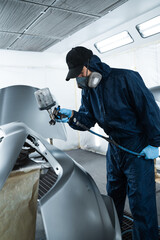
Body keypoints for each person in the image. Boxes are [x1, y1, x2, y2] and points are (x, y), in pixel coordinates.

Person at [57, 46, 160, 240]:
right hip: (114, 148)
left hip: (136, 147)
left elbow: (150, 111)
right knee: (113, 197)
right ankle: (115, 235)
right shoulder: (89, 90)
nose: (79, 78)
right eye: (75, 75)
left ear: (91, 65)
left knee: (141, 202)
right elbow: (86, 120)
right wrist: (72, 116)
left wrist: (155, 143)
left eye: (80, 72)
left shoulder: (127, 78)